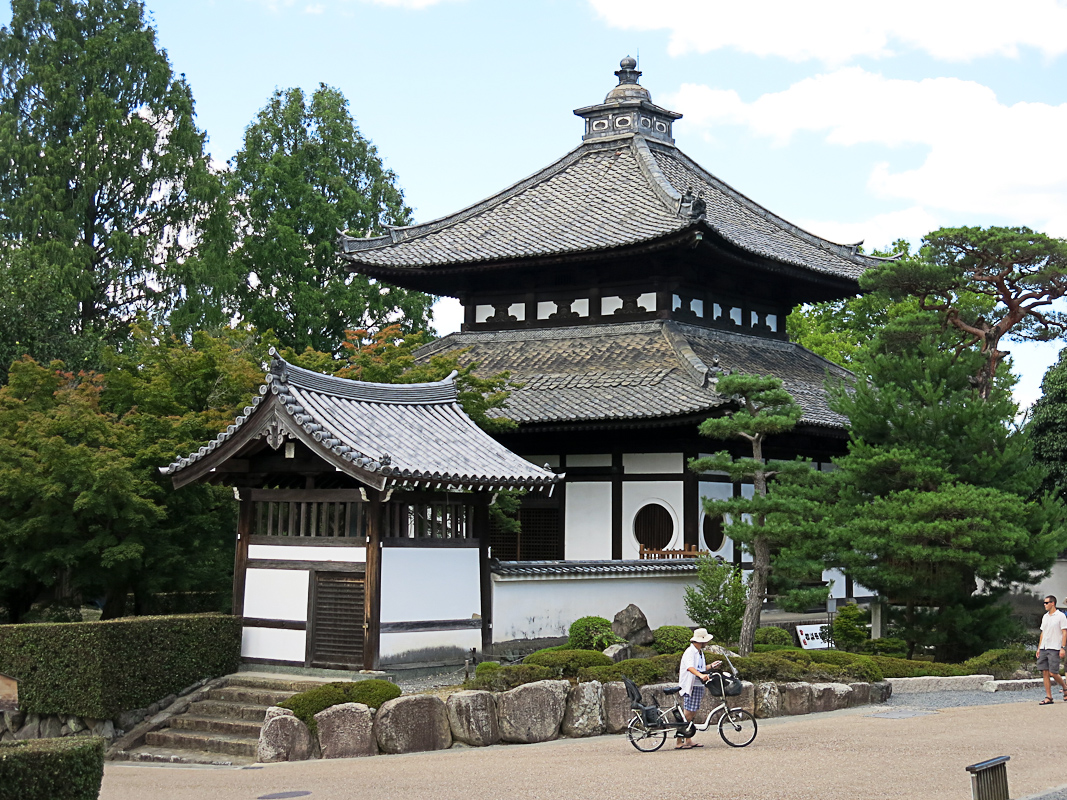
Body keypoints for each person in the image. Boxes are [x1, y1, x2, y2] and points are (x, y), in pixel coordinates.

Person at [675, 627, 722, 749]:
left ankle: (688, 739)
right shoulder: (690, 652)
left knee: (692, 712)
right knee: (688, 713)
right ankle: (679, 741)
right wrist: (701, 675)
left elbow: (700, 667)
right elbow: (690, 668)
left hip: (698, 684)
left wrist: (711, 666)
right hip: (691, 685)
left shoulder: (699, 652)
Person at [1037, 595, 1067, 705]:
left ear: (1052, 603)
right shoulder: (1045, 617)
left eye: (1046, 603)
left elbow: (1064, 632)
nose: (1044, 605)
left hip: (1055, 647)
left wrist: (1062, 648)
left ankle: (1065, 687)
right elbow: (1042, 633)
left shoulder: (1060, 616)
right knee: (1044, 672)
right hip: (1044, 647)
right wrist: (1039, 647)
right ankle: (1049, 697)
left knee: (1053, 672)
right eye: (1044, 603)